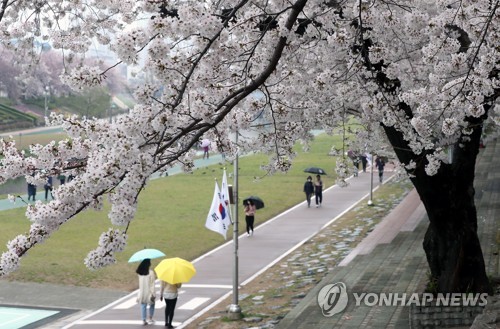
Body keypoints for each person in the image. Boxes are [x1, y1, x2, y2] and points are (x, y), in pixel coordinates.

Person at [136, 258, 156, 325]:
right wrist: (153, 293)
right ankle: (150, 318)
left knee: (143, 305)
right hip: (149, 292)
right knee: (152, 304)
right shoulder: (151, 272)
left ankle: (144, 320)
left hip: (142, 291)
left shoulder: (139, 273)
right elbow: (152, 284)